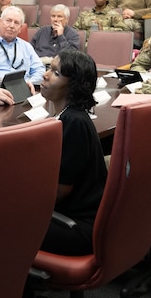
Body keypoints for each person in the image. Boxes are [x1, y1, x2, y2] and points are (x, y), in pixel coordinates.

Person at [38, 50, 107, 255]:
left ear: (74, 85)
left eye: (56, 73)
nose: (45, 75)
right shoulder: (67, 116)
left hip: (78, 227)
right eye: (49, 68)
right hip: (74, 216)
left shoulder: (74, 122)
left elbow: (59, 191)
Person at [0, 6, 45, 86]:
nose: (12, 26)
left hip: (24, 90)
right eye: (8, 21)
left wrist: (30, 83)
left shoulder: (27, 47)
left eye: (16, 23)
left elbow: (39, 70)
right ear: (0, 22)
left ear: (20, 28)